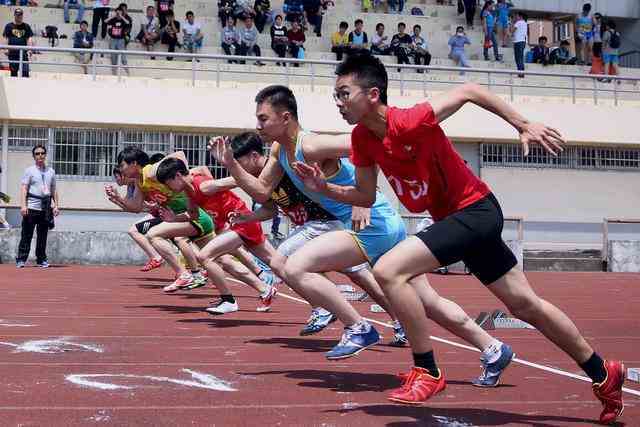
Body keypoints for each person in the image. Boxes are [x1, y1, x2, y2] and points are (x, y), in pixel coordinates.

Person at [311, 51, 624, 424]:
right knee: (526, 306)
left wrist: (521, 124)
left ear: (373, 94)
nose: (338, 102)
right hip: (458, 220)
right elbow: (363, 195)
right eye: (336, 95)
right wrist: (323, 187)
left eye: (344, 93)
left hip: (476, 211)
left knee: (390, 269)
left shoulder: (409, 121)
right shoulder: (363, 139)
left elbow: (470, 90)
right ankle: (603, 373)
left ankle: (426, 369)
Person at [223, 131, 407, 344]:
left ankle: (324, 308)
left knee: (280, 259)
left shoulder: (285, 163)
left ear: (254, 156)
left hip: (324, 221)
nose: (240, 168)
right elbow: (270, 208)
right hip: (323, 226)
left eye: (239, 162)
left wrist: (363, 197)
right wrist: (248, 217)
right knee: (359, 276)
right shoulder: (268, 175)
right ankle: (399, 321)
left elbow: (360, 150)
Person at [155, 157, 277, 313]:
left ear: (178, 175)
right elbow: (192, 215)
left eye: (167, 183)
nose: (167, 188)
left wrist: (269, 182)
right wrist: (173, 219)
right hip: (234, 226)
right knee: (229, 261)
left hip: (243, 222)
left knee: (205, 256)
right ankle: (265, 290)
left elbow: (239, 179)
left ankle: (229, 301)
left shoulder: (205, 186)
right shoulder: (189, 191)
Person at [108, 166, 164, 272]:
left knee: (135, 230)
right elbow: (131, 208)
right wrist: (115, 199)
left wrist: (118, 197)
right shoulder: (130, 187)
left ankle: (157, 258)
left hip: (164, 213)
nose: (116, 180)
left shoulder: (139, 182)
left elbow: (137, 207)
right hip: (156, 214)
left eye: (117, 177)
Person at [16, 144, 60, 268]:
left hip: (45, 208)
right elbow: (24, 188)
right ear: (34, 156)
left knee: (42, 236)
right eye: (37, 153)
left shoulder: (51, 171)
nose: (40, 155)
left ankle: (41, 259)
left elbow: (53, 189)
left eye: (42, 153)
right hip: (31, 207)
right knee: (26, 234)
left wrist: (56, 206)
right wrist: (23, 206)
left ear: (45, 155)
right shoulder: (29, 171)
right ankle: (21, 259)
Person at [3, 8, 33, 78]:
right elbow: (6, 38)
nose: (19, 16)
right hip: (13, 53)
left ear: (22, 16)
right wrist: (6, 49)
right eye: (17, 15)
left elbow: (29, 38)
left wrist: (30, 49)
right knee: (13, 73)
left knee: (25, 72)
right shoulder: (9, 26)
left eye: (20, 15)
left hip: (24, 53)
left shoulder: (26, 26)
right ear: (14, 15)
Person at [105, 6, 130, 75]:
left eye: (120, 11)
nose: (118, 13)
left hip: (121, 40)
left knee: (123, 57)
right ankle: (114, 74)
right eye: (117, 11)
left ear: (122, 12)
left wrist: (121, 16)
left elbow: (128, 23)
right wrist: (113, 16)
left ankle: (128, 73)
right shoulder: (113, 19)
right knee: (113, 57)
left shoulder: (124, 19)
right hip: (113, 39)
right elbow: (105, 21)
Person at [511, 12, 527, 78]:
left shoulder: (518, 22)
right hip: (523, 41)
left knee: (518, 58)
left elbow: (512, 30)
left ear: (520, 16)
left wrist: (512, 23)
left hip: (518, 42)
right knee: (521, 58)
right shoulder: (525, 23)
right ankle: (522, 73)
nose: (516, 17)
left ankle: (520, 73)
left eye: (517, 16)